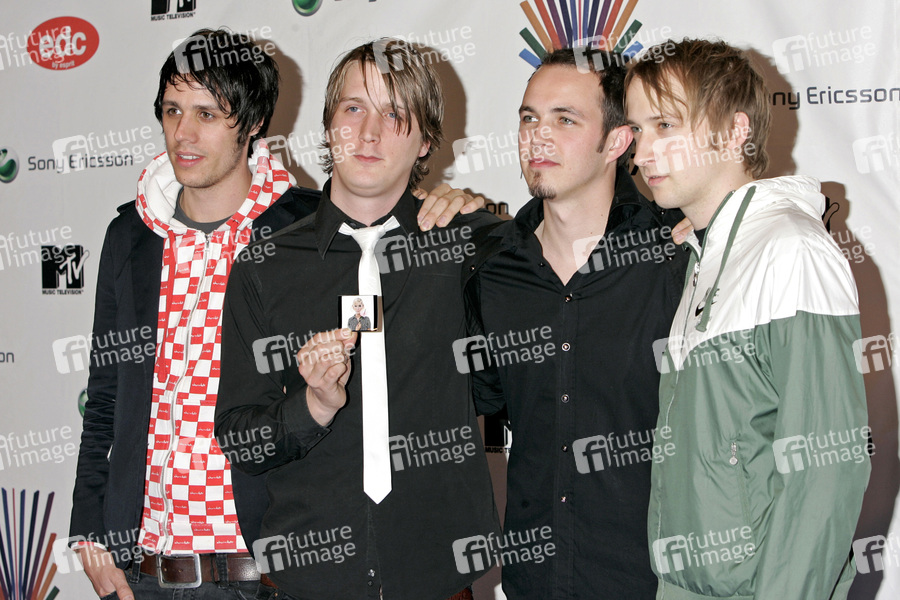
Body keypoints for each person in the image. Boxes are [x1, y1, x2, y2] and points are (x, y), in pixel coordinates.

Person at [68, 28, 482, 600]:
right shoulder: (130, 238)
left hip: (263, 569)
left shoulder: (308, 229)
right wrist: (91, 532)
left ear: (254, 122)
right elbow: (105, 398)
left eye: (208, 114)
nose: (184, 133)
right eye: (172, 110)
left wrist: (460, 207)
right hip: (143, 569)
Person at [215, 39, 500, 600]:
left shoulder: (471, 245)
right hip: (305, 582)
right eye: (353, 108)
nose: (368, 133)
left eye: (394, 114)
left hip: (439, 579)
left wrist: (481, 215)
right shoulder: (264, 266)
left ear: (426, 140)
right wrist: (312, 407)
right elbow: (242, 441)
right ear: (328, 127)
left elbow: (576, 238)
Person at [625, 38, 870, 599]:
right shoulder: (704, 255)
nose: (642, 153)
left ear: (736, 131)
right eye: (638, 130)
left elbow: (826, 470)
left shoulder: (791, 248)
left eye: (665, 125)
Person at [462, 47, 688, 598]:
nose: (538, 137)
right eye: (529, 118)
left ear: (616, 142)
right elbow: (483, 403)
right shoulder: (491, 269)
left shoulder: (675, 255)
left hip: (650, 583)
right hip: (532, 582)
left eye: (565, 120)